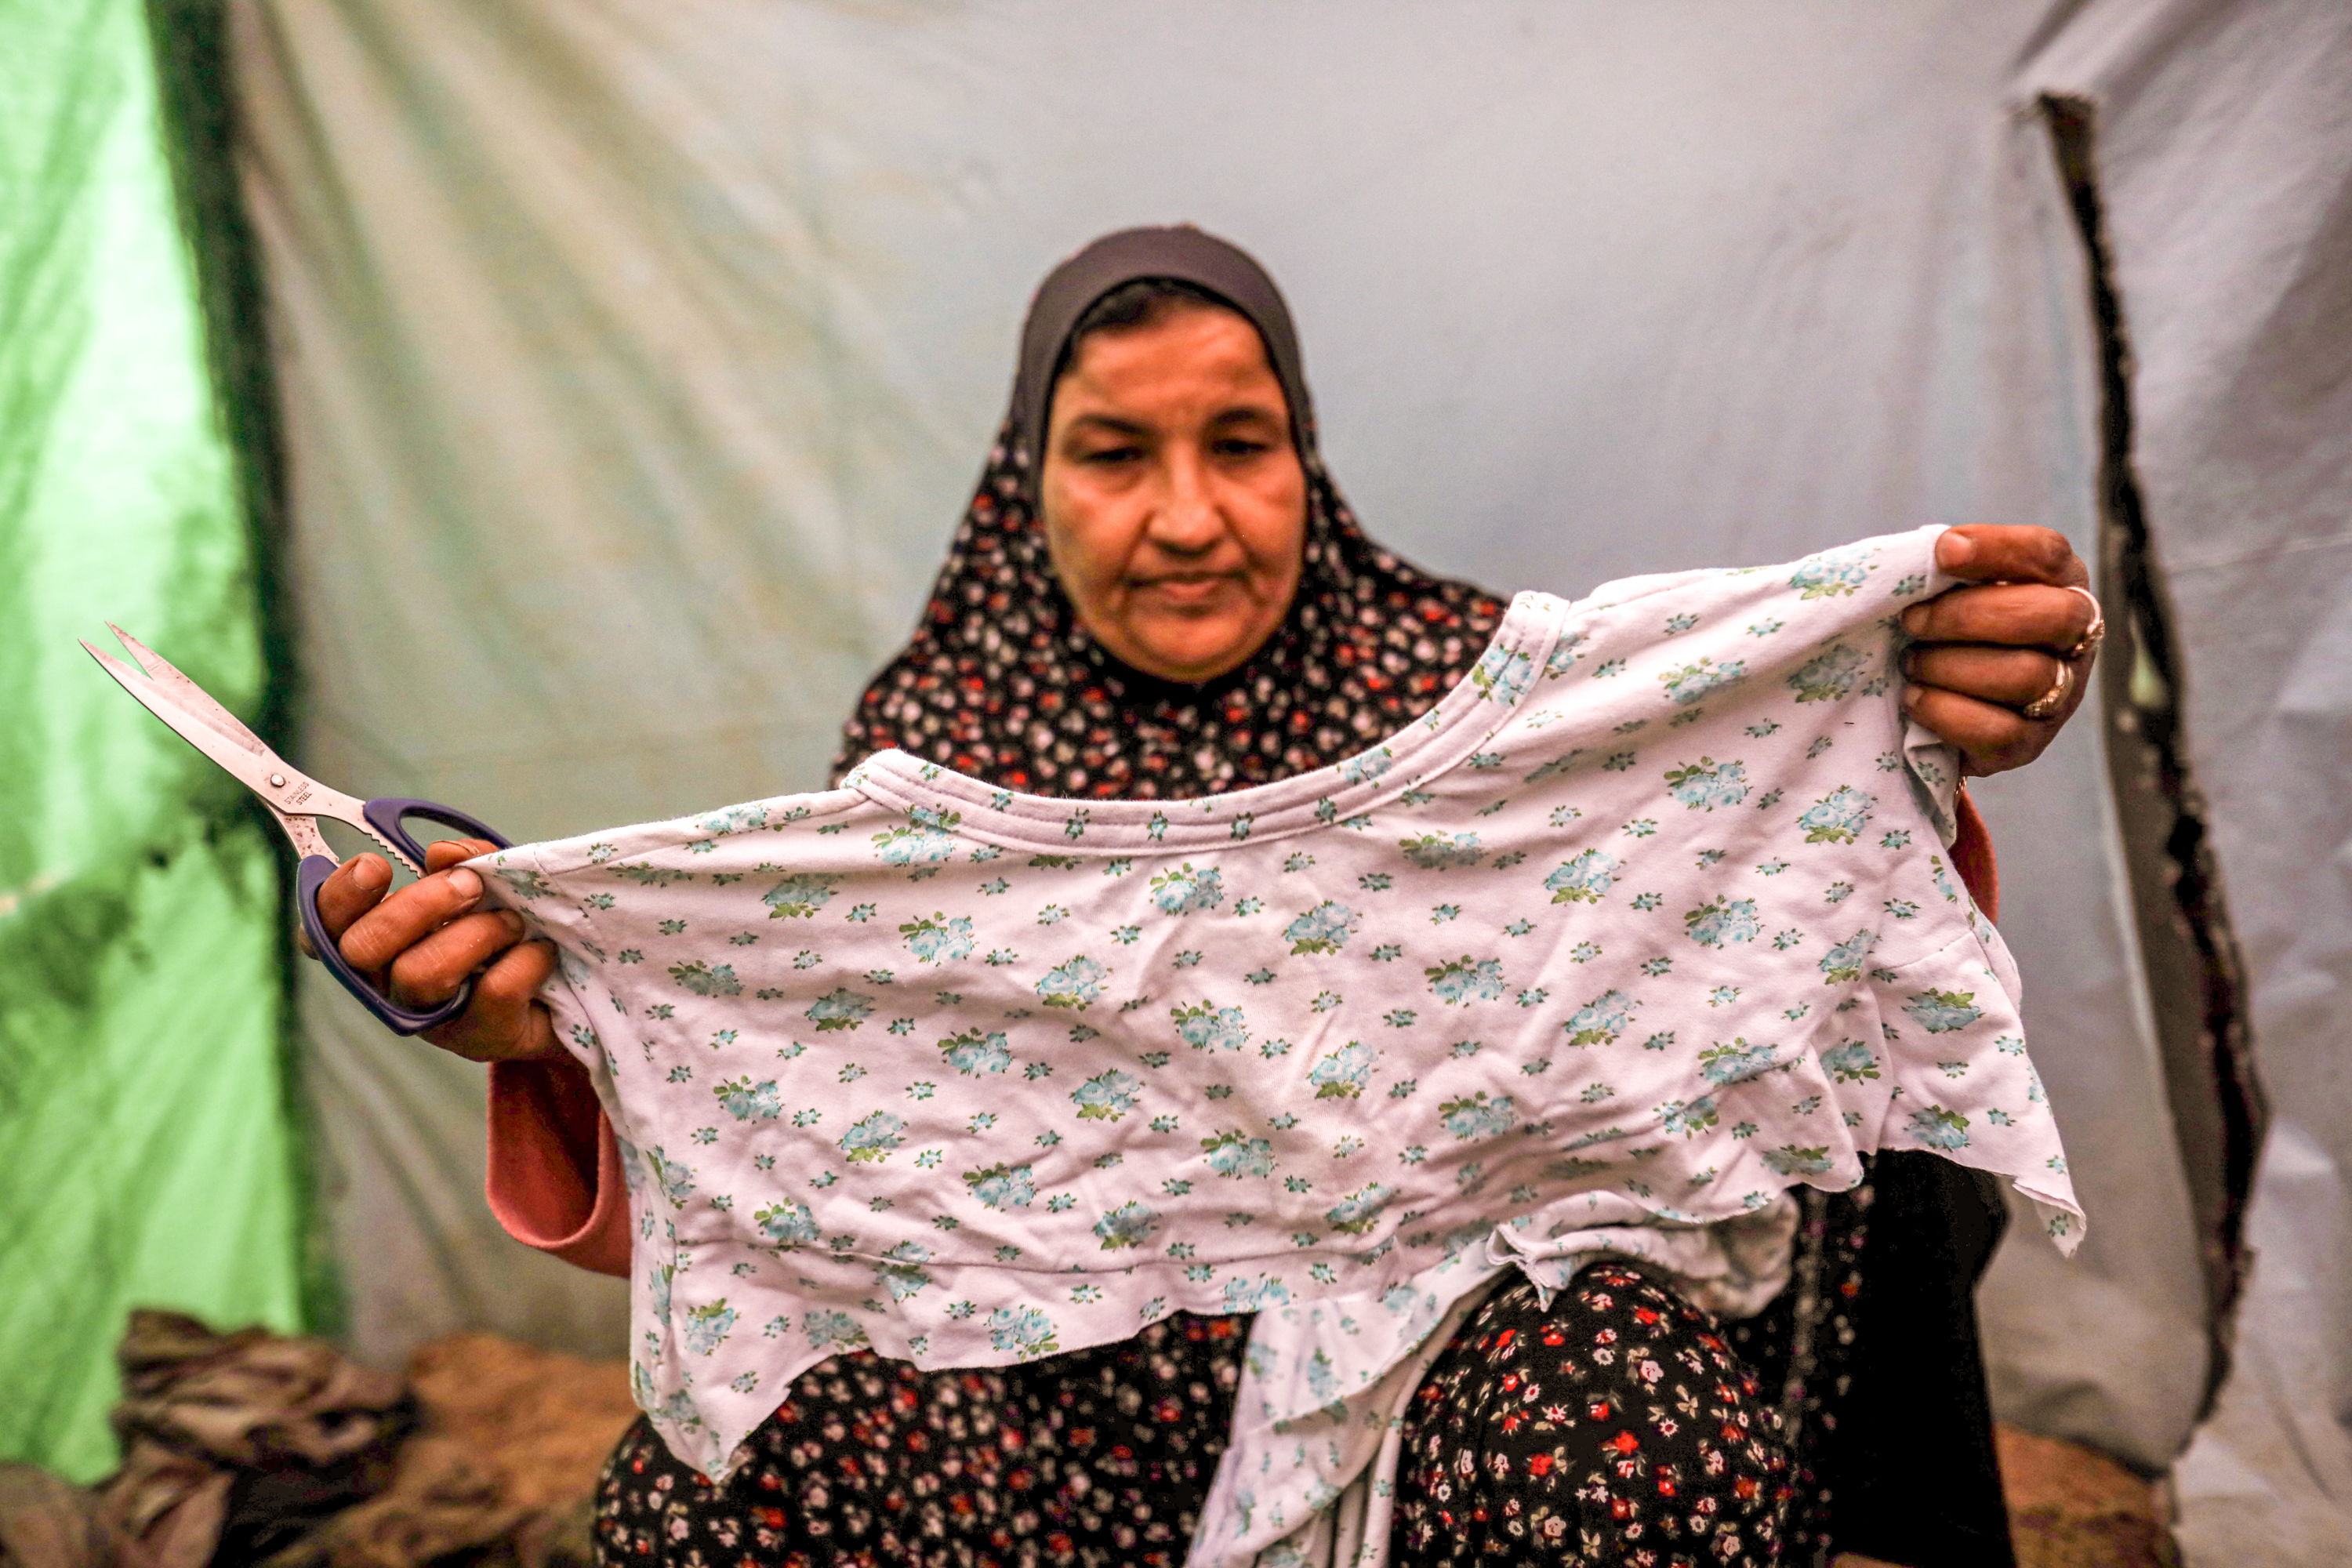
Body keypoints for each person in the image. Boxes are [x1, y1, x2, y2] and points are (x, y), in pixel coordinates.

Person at [315, 227, 2098, 1566]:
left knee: (1624, 1416)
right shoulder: (933, 749)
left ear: (1304, 460)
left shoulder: (1498, 701)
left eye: (1239, 444)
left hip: (1457, 1377)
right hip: (1066, 1413)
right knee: (721, 1491)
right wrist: (548, 1028)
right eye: (1113, 453)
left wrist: (1901, 760)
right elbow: (832, 1155)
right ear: (1027, 480)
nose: (1186, 516)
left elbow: (1734, 958)